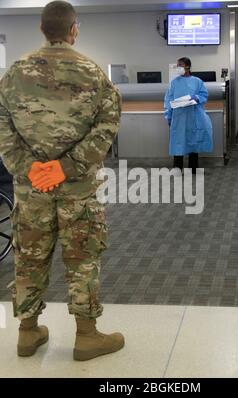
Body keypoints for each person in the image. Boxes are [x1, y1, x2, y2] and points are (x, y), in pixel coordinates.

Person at [0, 0, 124, 361]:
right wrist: (65, 167)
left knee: (30, 256)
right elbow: (107, 127)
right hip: (78, 190)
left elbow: (3, 129)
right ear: (74, 29)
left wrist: (29, 167)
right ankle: (86, 337)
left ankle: (27, 333)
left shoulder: (13, 73)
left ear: (41, 29)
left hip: (31, 187)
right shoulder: (93, 72)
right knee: (82, 256)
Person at [164, 57, 213, 174]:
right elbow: (168, 100)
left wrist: (196, 97)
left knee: (193, 140)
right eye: (177, 65)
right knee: (178, 141)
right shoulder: (174, 83)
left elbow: (204, 95)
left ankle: (193, 168)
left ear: (187, 66)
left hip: (193, 116)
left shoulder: (197, 81)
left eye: (180, 65)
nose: (178, 67)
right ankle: (177, 167)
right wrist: (168, 115)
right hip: (178, 117)